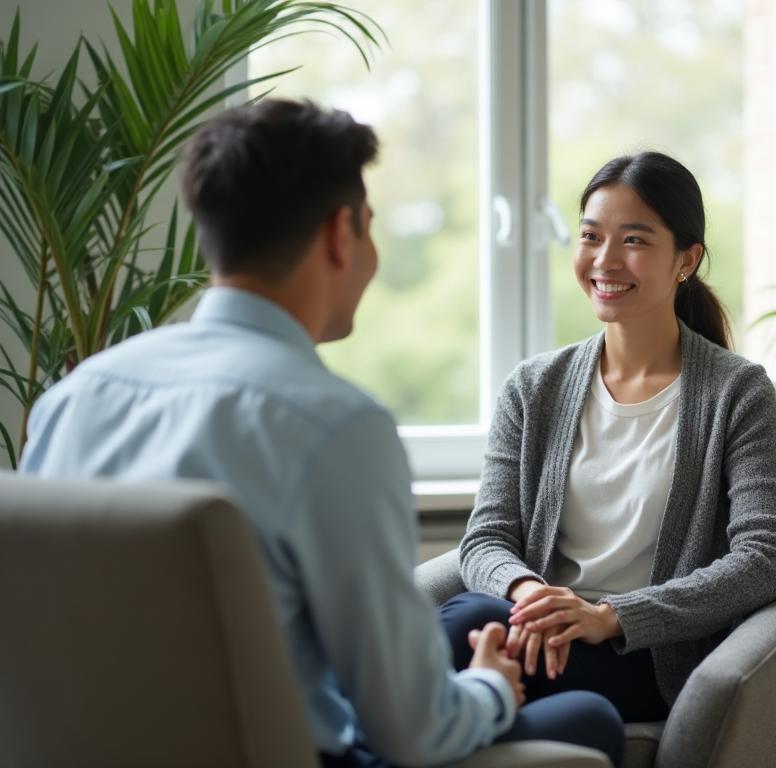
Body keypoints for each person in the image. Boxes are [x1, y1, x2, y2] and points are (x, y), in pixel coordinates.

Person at [18, 99, 623, 767]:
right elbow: (414, 734)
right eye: (369, 229)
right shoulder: (334, 427)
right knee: (588, 717)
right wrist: (489, 688)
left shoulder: (73, 400)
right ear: (342, 233)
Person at [440, 151, 776, 724]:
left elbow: (765, 558)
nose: (605, 260)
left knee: (453, 638)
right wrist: (531, 596)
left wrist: (612, 616)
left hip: (643, 654)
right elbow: (485, 539)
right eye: (590, 236)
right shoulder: (534, 387)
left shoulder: (738, 392)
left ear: (687, 259)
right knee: (464, 623)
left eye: (634, 240)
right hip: (538, 623)